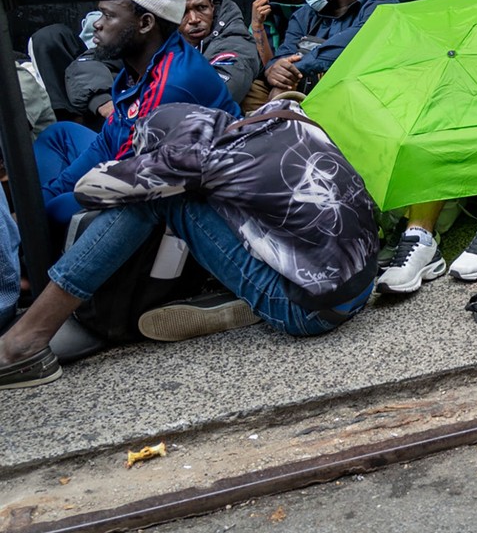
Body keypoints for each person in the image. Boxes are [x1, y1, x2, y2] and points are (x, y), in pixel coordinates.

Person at [0, 100, 379, 388]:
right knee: (216, 200)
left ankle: (26, 342)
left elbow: (87, 191)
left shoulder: (199, 159)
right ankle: (232, 290)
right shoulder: (284, 115)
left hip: (309, 313)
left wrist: (157, 167)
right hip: (359, 284)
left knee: (164, 199)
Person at [30, 0, 240, 229]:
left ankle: (30, 252)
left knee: (53, 210)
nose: (97, 24)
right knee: (58, 137)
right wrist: (47, 195)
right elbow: (108, 140)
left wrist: (49, 204)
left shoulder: (173, 84)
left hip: (173, 194)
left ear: (145, 23)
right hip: (129, 161)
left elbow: (125, 171)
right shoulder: (139, 63)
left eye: (108, 16)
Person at [262, 0, 398, 99]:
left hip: (360, 94)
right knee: (279, 90)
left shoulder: (380, 4)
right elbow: (284, 54)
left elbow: (352, 44)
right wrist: (274, 69)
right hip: (308, 94)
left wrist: (296, 67)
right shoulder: (305, 14)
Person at [173, 0, 262, 105]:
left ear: (213, 5)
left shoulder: (235, 42)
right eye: (183, 12)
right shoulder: (166, 38)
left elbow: (214, 97)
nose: (194, 19)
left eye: (201, 8)